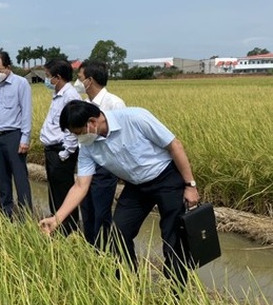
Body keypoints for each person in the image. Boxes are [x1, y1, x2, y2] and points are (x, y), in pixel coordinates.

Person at [39, 100, 200, 286]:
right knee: (119, 233)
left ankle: (176, 294)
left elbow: (175, 146)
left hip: (166, 178)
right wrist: (56, 218)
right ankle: (129, 284)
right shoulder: (89, 146)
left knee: (172, 237)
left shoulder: (135, 117)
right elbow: (80, 186)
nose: (78, 138)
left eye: (78, 133)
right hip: (136, 186)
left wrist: (190, 185)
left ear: (92, 122)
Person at [75, 60, 126, 247]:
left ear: (90, 80)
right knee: (87, 210)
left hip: (105, 166)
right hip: (86, 163)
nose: (78, 82)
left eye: (80, 78)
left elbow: (120, 139)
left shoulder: (114, 103)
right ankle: (91, 250)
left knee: (101, 213)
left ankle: (104, 254)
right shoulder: (83, 104)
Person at [0, 51, 33, 219]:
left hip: (15, 136)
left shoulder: (21, 84)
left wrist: (25, 138)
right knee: (2, 179)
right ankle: (6, 215)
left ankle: (25, 217)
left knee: (20, 178)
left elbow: (26, 112)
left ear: (8, 67)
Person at [39, 59, 80, 235]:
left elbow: (73, 128)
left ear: (58, 77)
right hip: (53, 151)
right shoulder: (58, 94)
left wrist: (66, 153)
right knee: (55, 193)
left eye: (48, 76)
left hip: (60, 151)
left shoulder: (70, 96)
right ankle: (55, 226)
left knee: (64, 193)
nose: (46, 80)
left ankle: (68, 231)